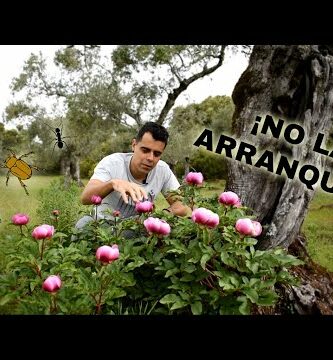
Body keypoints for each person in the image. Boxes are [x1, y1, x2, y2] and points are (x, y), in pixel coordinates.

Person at [75, 122, 190, 231]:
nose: (150, 158)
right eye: (145, 150)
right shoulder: (112, 163)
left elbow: (182, 205)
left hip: (136, 227)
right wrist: (112, 184)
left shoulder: (162, 170)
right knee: (82, 225)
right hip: (101, 223)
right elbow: (85, 198)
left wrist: (158, 217)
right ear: (134, 145)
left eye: (157, 154)